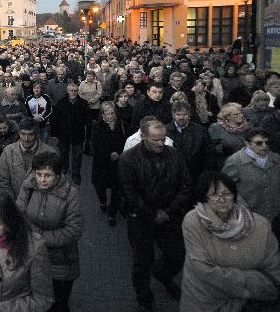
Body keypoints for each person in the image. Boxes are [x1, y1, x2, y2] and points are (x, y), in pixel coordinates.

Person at [118, 119, 192, 311]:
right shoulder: (128, 159)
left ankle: (162, 275)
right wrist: (151, 214)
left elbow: (185, 185)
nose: (161, 144)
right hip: (141, 218)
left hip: (170, 215)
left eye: (163, 139)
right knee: (142, 261)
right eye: (155, 140)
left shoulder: (175, 155)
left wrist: (168, 212)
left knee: (178, 254)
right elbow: (129, 192)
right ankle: (143, 297)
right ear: (143, 138)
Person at [179, 172, 280, 311]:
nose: (222, 199)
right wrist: (254, 282)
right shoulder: (193, 221)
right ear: (204, 199)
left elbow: (274, 275)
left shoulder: (261, 225)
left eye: (226, 193)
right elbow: (205, 271)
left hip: (250, 305)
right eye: (214, 195)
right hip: (204, 303)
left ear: (234, 195)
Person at [16, 152, 83, 312]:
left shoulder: (70, 195)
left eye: (48, 175)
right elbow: (18, 213)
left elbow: (74, 230)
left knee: (58, 304)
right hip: (33, 258)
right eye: (38, 174)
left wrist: (38, 236)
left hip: (61, 262)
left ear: (58, 176)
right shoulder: (29, 186)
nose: (42, 180)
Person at [222, 128, 280, 226]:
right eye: (259, 143)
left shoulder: (276, 158)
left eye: (267, 142)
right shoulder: (235, 161)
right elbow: (225, 186)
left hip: (276, 214)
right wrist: (243, 206)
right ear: (247, 143)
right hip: (251, 215)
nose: (264, 146)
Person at [0, 117, 57, 199]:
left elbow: (55, 183)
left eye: (30, 134)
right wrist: (13, 205)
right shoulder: (8, 152)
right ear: (18, 133)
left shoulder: (50, 153)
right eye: (23, 134)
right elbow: (3, 182)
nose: (26, 139)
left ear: (36, 135)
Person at [91, 102, 128, 226]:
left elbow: (127, 143)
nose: (110, 116)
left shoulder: (122, 125)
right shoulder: (97, 127)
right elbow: (95, 146)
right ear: (103, 115)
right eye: (107, 114)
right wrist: (108, 155)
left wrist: (120, 154)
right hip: (102, 164)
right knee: (100, 186)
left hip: (118, 163)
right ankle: (102, 201)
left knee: (116, 189)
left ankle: (112, 213)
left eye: (112, 113)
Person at [51, 83, 89, 185]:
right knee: (63, 153)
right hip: (64, 134)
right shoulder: (61, 103)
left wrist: (88, 136)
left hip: (78, 134)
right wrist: (54, 134)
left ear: (78, 91)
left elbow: (87, 121)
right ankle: (64, 167)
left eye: (75, 90)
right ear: (67, 91)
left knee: (77, 156)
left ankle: (76, 174)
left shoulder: (83, 103)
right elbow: (55, 119)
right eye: (71, 90)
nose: (73, 92)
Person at [165, 101, 210, 184]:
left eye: (184, 114)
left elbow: (207, 154)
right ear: (173, 115)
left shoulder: (200, 131)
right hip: (173, 176)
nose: (181, 117)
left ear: (189, 115)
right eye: (178, 114)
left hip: (196, 175)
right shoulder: (165, 132)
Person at [209, 102, 250, 171]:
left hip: (246, 164)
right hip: (227, 164)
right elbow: (211, 146)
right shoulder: (216, 127)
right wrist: (222, 148)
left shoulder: (248, 127)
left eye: (241, 113)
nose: (241, 115)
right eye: (236, 114)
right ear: (227, 116)